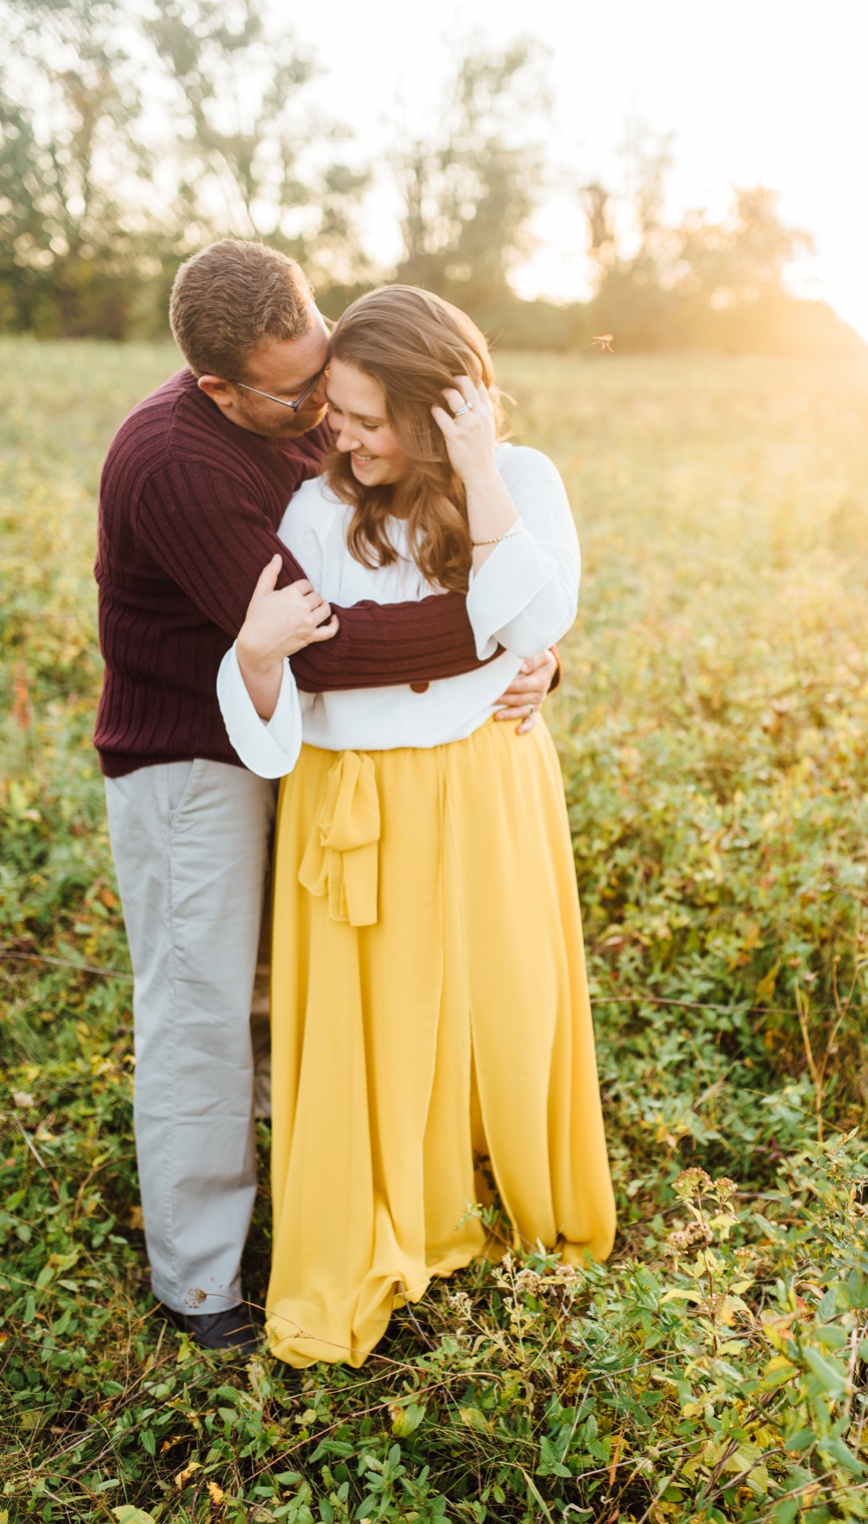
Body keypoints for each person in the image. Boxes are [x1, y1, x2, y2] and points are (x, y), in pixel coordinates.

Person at [94, 239, 555, 1354]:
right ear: (219, 387)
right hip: (192, 756)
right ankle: (199, 1285)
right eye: (294, 395)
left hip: (296, 753)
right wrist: (515, 622)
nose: (319, 419)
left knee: (280, 992)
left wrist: (537, 639)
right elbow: (322, 646)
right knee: (198, 1010)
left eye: (324, 377)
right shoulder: (177, 464)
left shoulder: (303, 401)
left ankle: (302, 1176)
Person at [215, 284, 616, 1366]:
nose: (336, 434)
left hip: (491, 781)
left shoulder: (522, 481)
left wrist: (483, 479)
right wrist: (264, 656)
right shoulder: (315, 510)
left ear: (444, 410)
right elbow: (308, 675)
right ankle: (384, 1221)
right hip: (357, 802)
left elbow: (534, 625)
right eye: (332, 410)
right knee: (373, 1029)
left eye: (362, 415)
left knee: (506, 999)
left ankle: (506, 1203)